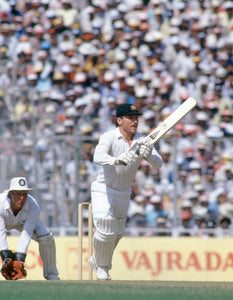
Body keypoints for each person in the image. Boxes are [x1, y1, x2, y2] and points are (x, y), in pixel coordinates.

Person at [88, 103, 163, 280]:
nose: (135, 120)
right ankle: (103, 268)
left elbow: (158, 164)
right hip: (103, 188)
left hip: (123, 192)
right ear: (119, 120)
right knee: (106, 225)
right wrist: (116, 160)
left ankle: (96, 259)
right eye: (130, 117)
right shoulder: (108, 137)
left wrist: (148, 155)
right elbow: (97, 157)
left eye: (136, 117)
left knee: (117, 234)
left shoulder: (142, 140)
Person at [0, 177, 59, 280]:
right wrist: (6, 256)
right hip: (3, 221)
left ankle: (51, 275)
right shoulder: (0, 203)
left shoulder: (33, 206)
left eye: (25, 194)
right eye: (18, 194)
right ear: (11, 194)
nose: (22, 198)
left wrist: (20, 258)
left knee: (47, 237)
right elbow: (1, 232)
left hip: (21, 222)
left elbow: (26, 233)